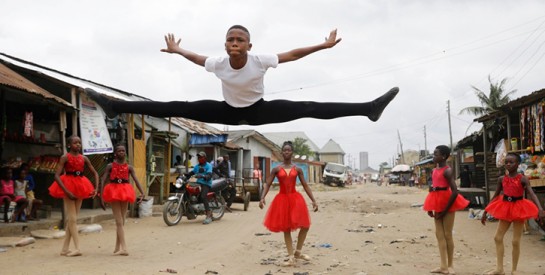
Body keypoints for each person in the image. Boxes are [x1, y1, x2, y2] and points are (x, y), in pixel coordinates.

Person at [86, 25, 399, 125]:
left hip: (260, 111)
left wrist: (323, 45)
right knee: (176, 106)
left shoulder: (260, 59)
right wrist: (179, 51)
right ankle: (116, 106)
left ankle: (368, 109)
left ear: (249, 45)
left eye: (239, 40)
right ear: (226, 44)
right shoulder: (219, 63)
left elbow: (292, 54)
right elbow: (197, 59)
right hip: (227, 112)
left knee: (308, 108)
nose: (234, 43)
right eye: (230, 39)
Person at [480, 152, 544, 275]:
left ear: (518, 164)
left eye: (511, 162)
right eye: (506, 162)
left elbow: (532, 194)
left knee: (515, 241)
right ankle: (499, 269)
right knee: (497, 237)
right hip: (505, 207)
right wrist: (486, 211)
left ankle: (514, 270)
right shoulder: (501, 179)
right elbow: (495, 196)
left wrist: (540, 209)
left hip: (519, 209)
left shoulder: (523, 178)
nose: (508, 164)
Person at [259, 141, 318, 267]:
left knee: (305, 225)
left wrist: (313, 200)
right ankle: (291, 257)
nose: (286, 152)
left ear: (292, 152)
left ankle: (298, 252)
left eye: (289, 150)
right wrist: (262, 197)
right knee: (286, 228)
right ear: (282, 152)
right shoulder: (276, 169)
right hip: (282, 199)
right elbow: (268, 184)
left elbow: (305, 185)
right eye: (284, 150)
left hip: (295, 199)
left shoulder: (298, 169)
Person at [48, 135, 100, 257]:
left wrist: (96, 188)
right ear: (69, 145)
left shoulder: (84, 158)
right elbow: (56, 175)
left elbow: (95, 173)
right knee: (72, 219)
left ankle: (65, 249)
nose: (78, 145)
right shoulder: (64, 157)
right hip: (68, 186)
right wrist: (66, 191)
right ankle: (77, 248)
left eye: (79, 143)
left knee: (72, 220)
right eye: (75, 143)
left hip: (81, 185)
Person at [423, 145, 470, 274]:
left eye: (436, 154)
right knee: (439, 235)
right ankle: (443, 265)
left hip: (447, 203)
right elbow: (434, 187)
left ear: (443, 156)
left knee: (448, 234)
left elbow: (455, 191)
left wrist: (445, 210)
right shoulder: (434, 170)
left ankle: (450, 265)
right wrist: (430, 206)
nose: (433, 156)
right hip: (436, 202)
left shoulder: (447, 170)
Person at [100, 144, 145, 256]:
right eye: (119, 151)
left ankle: (117, 247)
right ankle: (124, 248)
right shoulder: (110, 166)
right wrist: (100, 195)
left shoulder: (129, 167)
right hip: (114, 191)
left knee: (122, 222)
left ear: (125, 153)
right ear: (115, 153)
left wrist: (142, 192)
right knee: (119, 221)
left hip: (125, 191)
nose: (121, 152)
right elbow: (103, 179)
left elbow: (136, 180)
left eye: (123, 151)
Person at [186, 151, 214, 224]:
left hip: (206, 183)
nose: (199, 158)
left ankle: (208, 214)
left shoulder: (208, 165)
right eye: (198, 157)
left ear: (205, 158)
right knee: (188, 189)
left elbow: (209, 175)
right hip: (198, 183)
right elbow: (192, 172)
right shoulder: (197, 166)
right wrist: (185, 175)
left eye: (201, 157)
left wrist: (203, 176)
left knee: (203, 196)